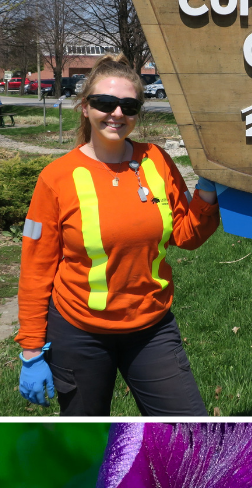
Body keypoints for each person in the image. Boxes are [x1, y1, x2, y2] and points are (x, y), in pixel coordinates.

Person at [14, 55, 221, 416]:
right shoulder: (56, 178)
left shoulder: (156, 160)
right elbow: (35, 269)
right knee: (85, 444)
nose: (117, 113)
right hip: (79, 332)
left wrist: (206, 193)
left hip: (150, 327)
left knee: (190, 434)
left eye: (129, 105)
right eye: (105, 103)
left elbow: (187, 235)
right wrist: (31, 350)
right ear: (85, 107)